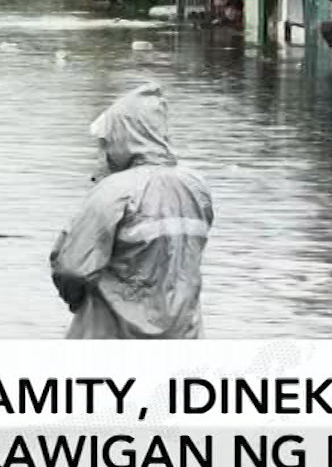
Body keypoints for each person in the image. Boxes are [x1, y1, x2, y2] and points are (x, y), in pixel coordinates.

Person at [48, 82, 213, 339]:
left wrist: (78, 302)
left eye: (107, 141)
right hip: (183, 333)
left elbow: (71, 268)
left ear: (124, 136)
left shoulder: (113, 191)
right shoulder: (195, 186)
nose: (104, 151)